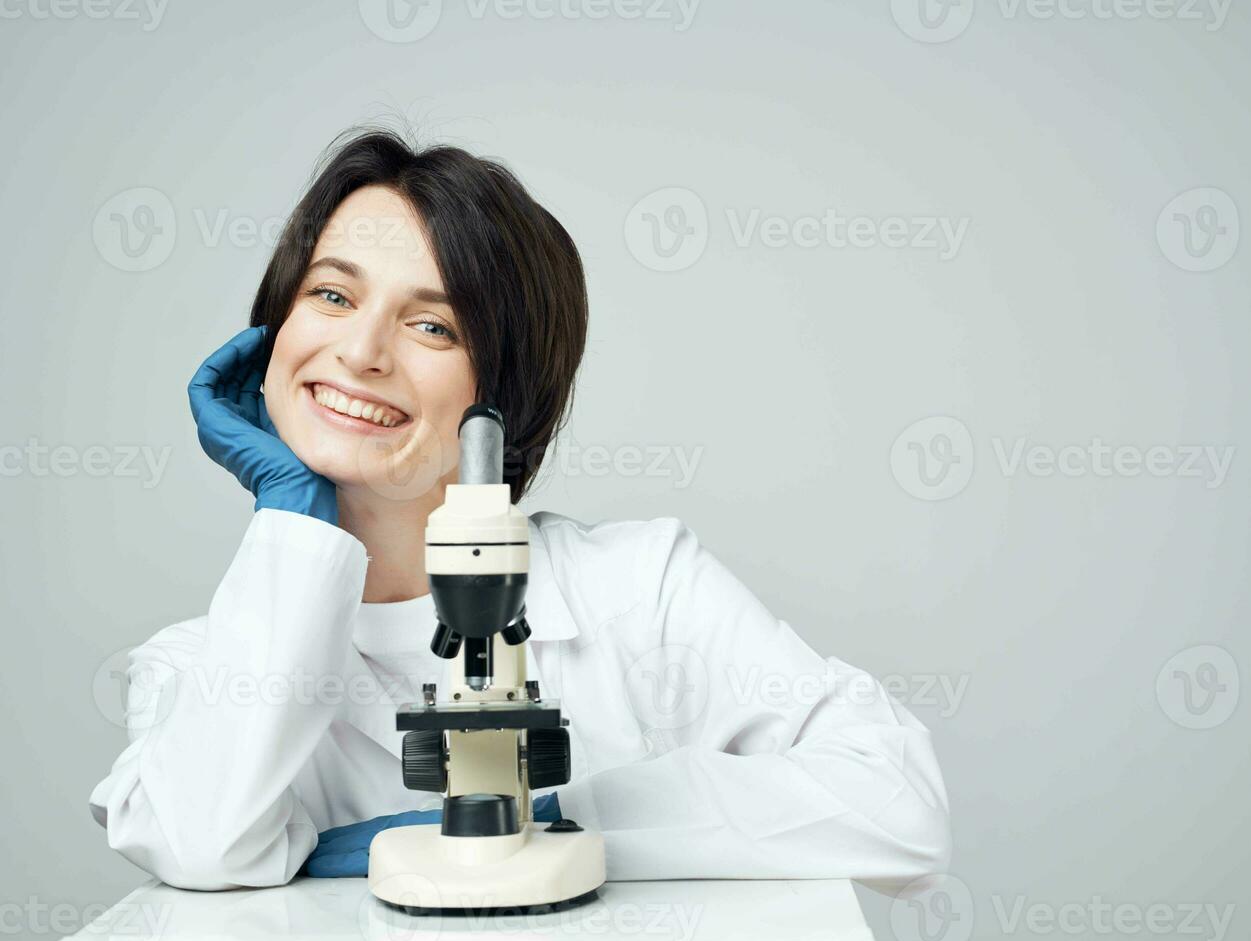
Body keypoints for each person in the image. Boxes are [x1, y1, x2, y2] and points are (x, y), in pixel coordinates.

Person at [88, 129, 951, 892]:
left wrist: (536, 825)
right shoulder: (199, 666)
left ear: (500, 401)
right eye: (333, 296)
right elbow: (201, 845)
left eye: (433, 328)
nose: (359, 352)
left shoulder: (640, 590)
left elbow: (897, 804)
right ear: (270, 339)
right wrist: (295, 521)